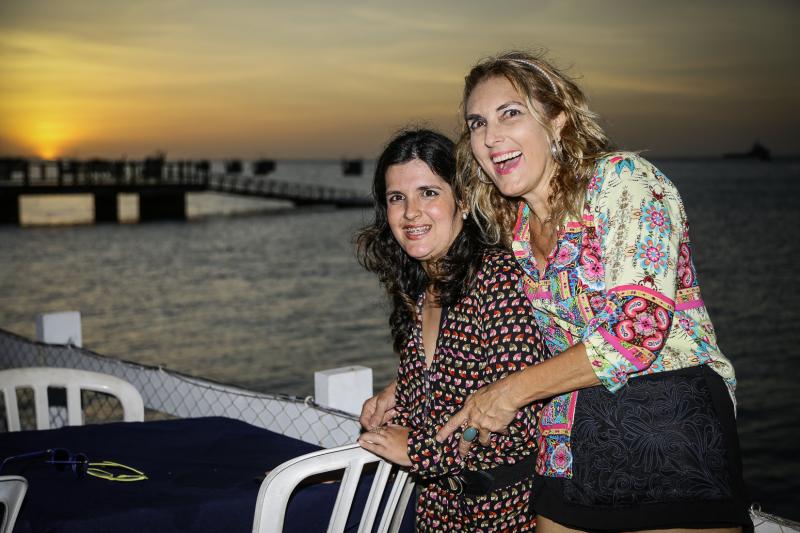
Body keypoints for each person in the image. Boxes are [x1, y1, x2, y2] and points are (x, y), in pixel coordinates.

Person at [427, 51, 751, 532]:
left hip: (667, 421)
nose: (490, 137)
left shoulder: (622, 181)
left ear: (557, 120)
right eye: (477, 124)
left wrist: (510, 393)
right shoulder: (518, 227)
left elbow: (636, 330)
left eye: (510, 113)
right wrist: (420, 381)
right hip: (567, 433)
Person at [355, 128, 550, 531]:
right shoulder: (420, 289)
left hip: (505, 510)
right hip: (438, 507)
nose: (411, 212)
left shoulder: (496, 278)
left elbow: (519, 425)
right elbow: (447, 391)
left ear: (462, 199)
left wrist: (417, 451)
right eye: (397, 198)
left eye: (428, 193)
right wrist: (399, 398)